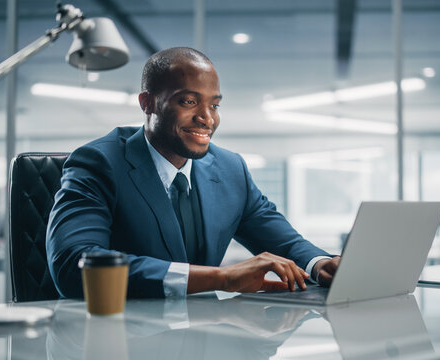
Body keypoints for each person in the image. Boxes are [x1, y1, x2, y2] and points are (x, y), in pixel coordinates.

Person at [46, 47, 340, 299]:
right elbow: (75, 264)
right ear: (147, 103)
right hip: (118, 336)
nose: (207, 118)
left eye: (214, 104)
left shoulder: (230, 168)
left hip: (202, 334)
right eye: (189, 101)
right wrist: (221, 278)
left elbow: (283, 241)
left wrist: (320, 263)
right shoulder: (99, 162)